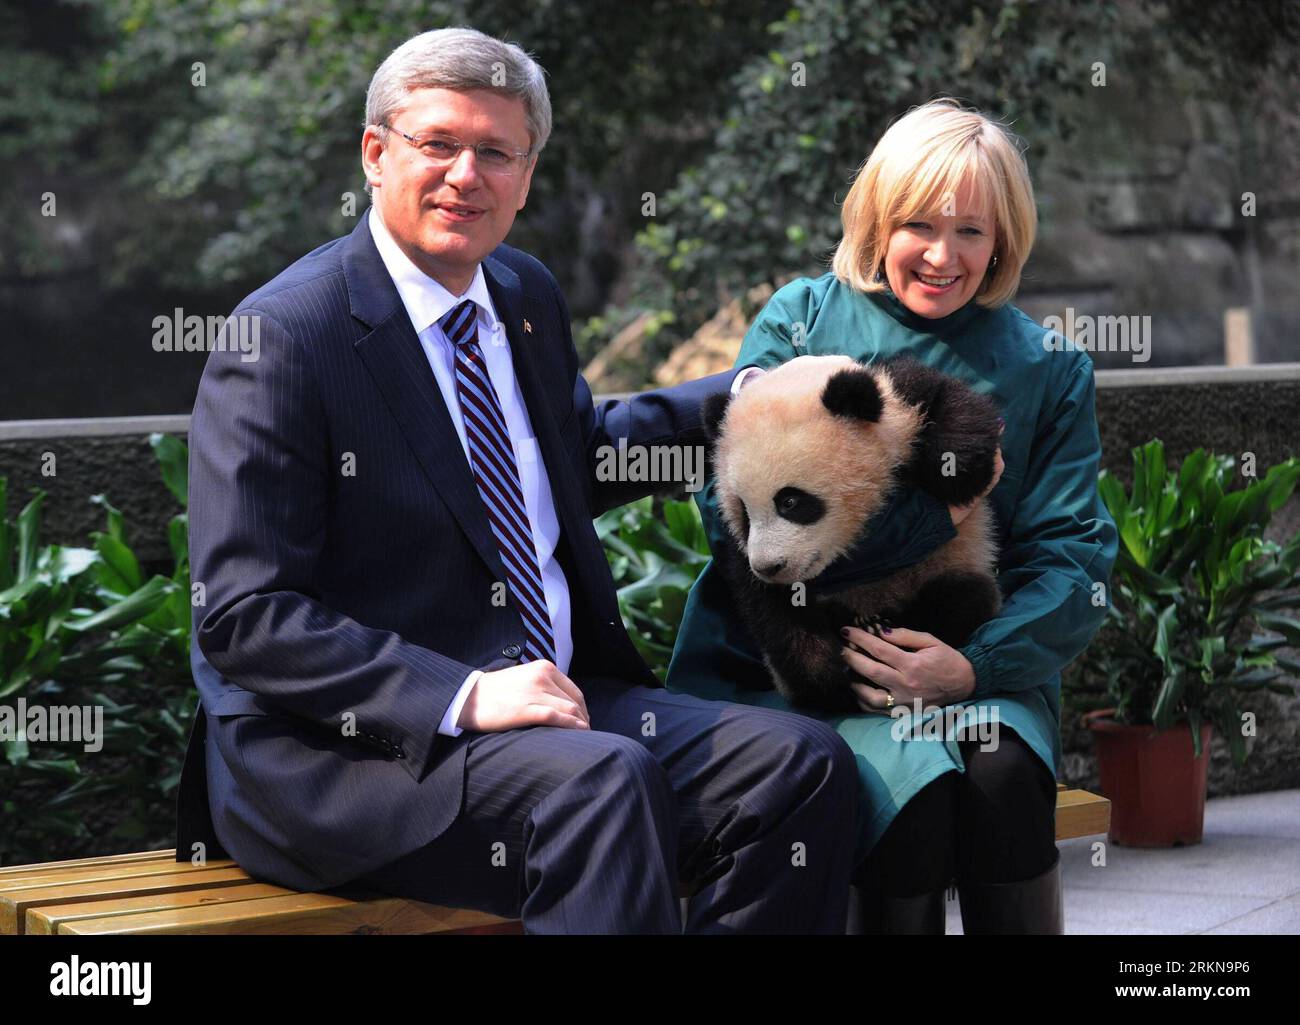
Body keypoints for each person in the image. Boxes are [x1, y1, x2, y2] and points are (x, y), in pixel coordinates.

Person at [174, 27, 860, 934]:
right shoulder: (285, 340)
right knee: (603, 786)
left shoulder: (522, 293)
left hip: (560, 703)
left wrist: (748, 399)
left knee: (800, 763)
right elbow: (244, 615)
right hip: (359, 755)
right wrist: (463, 696)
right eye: (438, 144)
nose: (467, 174)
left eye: (496, 152)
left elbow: (571, 460)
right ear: (376, 154)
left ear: (527, 175)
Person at [667, 99, 1119, 934]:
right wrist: (935, 521)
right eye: (918, 223)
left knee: (1001, 777)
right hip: (799, 653)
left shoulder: (1050, 368)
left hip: (971, 646)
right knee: (907, 795)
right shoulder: (799, 320)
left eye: (972, 232)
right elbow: (741, 516)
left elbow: (1072, 558)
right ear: (877, 217)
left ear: (1006, 238)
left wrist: (974, 664)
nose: (943, 256)